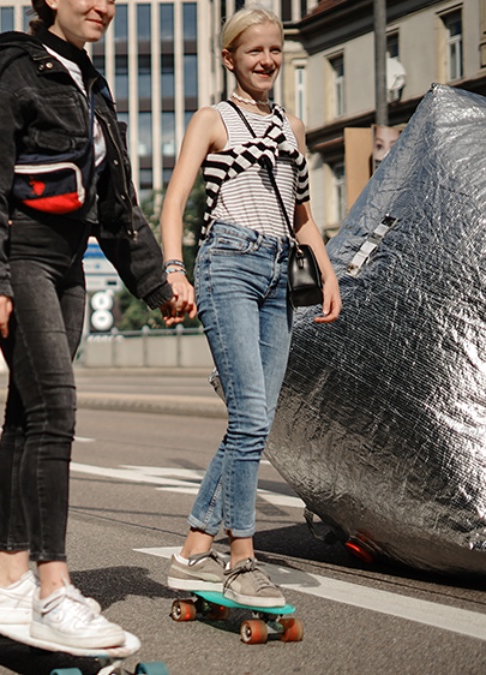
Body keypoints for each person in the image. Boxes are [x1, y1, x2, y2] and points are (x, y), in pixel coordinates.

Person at [0, 0, 185, 650]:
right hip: (19, 255)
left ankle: (8, 581)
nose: (104, 4)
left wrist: (155, 283)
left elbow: (113, 205)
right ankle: (53, 588)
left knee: (27, 416)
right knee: (55, 409)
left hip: (68, 263)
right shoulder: (13, 66)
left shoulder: (89, 81)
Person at [158, 6, 341, 608]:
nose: (266, 61)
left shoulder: (294, 125)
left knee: (251, 424)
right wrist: (174, 270)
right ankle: (241, 559)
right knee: (252, 417)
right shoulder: (213, 120)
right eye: (254, 51)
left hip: (278, 277)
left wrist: (327, 268)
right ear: (229, 58)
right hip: (227, 266)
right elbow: (175, 202)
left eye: (274, 52)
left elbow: (301, 212)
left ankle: (191, 549)